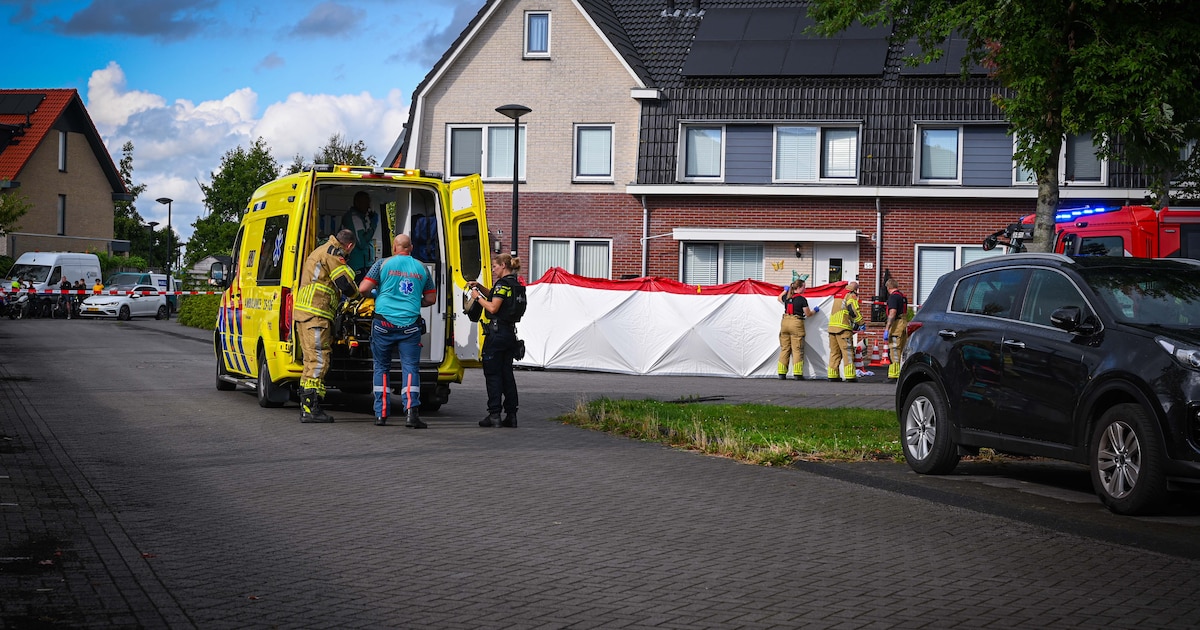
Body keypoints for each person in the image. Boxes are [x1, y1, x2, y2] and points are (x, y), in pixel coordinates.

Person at [357, 233, 436, 428]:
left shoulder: (382, 264)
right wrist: (415, 301)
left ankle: (381, 414)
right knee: (410, 367)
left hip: (383, 324)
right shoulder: (422, 268)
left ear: (394, 247)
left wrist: (375, 294)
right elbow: (431, 299)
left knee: (381, 367)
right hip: (410, 326)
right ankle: (411, 413)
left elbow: (363, 288)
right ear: (411, 248)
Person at [293, 229, 359, 423]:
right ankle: (310, 409)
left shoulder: (320, 250)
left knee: (310, 362)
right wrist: (359, 296)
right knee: (318, 361)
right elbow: (345, 284)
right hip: (316, 315)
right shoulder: (332, 254)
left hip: (306, 314)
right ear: (350, 246)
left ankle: (307, 406)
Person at [470, 253, 526, 427]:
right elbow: (495, 295)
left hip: (496, 335)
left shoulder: (502, 284)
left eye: (495, 266)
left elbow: (493, 307)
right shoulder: (515, 284)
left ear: (503, 265)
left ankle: (494, 415)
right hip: (510, 334)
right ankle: (511, 415)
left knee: (493, 375)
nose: (493, 269)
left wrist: (477, 298)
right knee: (507, 374)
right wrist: (479, 286)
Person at [776, 279, 819, 380]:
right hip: (796, 323)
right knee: (797, 349)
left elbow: (779, 298)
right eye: (804, 286)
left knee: (785, 348)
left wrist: (785, 290)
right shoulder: (802, 300)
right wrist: (815, 311)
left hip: (785, 322)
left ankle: (781, 373)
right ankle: (797, 374)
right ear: (799, 287)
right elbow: (808, 314)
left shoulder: (787, 297)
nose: (805, 288)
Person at [826, 280, 864, 383]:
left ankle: (833, 375)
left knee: (834, 352)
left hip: (832, 328)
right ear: (856, 289)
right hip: (843, 328)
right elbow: (853, 310)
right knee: (847, 352)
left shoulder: (839, 294)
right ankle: (850, 376)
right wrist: (861, 323)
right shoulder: (850, 295)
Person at [341, 191, 379, 279]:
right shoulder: (354, 218)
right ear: (357, 203)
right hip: (356, 265)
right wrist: (373, 225)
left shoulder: (361, 217)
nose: (368, 206)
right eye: (366, 203)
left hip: (364, 264)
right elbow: (361, 243)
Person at [883, 278, 909, 381]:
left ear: (888, 287)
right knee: (901, 349)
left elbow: (892, 312)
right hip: (904, 323)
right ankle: (901, 372)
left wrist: (887, 328)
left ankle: (894, 374)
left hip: (897, 324)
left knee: (894, 349)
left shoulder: (893, 297)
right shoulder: (902, 297)